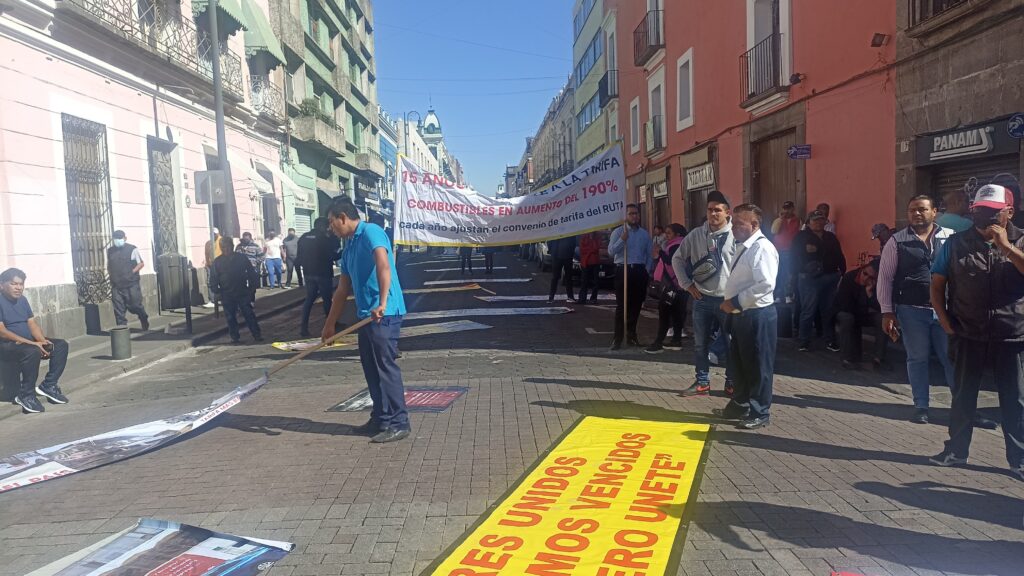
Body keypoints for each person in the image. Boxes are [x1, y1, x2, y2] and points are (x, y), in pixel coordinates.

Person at [929, 184, 1024, 479]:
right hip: (968, 331)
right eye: (980, 212)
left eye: (993, 213)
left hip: (1012, 334)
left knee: (1015, 399)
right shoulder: (956, 243)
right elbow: (936, 285)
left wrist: (1006, 248)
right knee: (963, 395)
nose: (985, 219)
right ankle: (956, 451)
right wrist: (946, 323)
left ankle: (1018, 460)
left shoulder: (1021, 240)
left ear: (1009, 211)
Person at [322, 197, 410, 444]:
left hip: (386, 313)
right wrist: (330, 324)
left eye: (332, 222)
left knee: (386, 367)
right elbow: (342, 290)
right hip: (365, 317)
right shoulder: (348, 247)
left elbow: (384, 266)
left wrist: (382, 302)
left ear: (343, 217)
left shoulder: (372, 232)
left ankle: (399, 422)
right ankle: (380, 418)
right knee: (370, 369)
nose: (331, 228)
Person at [878, 195, 957, 424]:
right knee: (917, 359)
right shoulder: (897, 241)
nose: (916, 214)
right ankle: (921, 406)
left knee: (952, 359)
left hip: (947, 311)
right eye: (912, 210)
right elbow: (885, 279)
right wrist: (887, 312)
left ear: (934, 212)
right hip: (911, 311)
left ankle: (963, 406)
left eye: (922, 209)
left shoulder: (951, 238)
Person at [715, 204, 779, 430]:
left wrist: (735, 301)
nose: (734, 228)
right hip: (740, 314)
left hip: (756, 314)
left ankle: (760, 411)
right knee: (739, 362)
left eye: (740, 224)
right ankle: (741, 402)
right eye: (734, 223)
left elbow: (766, 284)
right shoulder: (744, 246)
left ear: (754, 225)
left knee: (758, 364)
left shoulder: (762, 248)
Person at [672, 191, 737, 396]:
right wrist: (686, 285)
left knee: (731, 343)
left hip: (728, 300)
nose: (713, 214)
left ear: (728, 213)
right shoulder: (696, 235)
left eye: (718, 210)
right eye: (710, 210)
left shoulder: (737, 235)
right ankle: (702, 382)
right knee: (700, 345)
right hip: (702, 299)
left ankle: (732, 382)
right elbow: (677, 259)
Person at [0, 268, 70, 414]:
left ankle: (49, 385)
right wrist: (33, 344)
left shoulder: (23, 300)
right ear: (2, 285)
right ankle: (26, 395)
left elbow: (31, 323)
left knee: (60, 345)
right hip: (6, 346)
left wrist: (42, 341)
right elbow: (2, 331)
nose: (18, 288)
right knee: (32, 351)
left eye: (21, 284)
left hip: (26, 343)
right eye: (14, 284)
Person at [792, 210, 846, 351]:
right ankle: (804, 341)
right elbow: (794, 257)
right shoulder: (801, 237)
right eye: (815, 220)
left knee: (828, 311)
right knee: (808, 310)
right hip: (809, 278)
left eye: (821, 220)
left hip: (831, 276)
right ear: (808, 222)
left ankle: (830, 340)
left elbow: (839, 254)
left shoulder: (830, 237)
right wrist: (800, 271)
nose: (818, 222)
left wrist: (842, 271)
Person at [608, 204, 651, 349]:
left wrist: (647, 269)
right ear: (625, 215)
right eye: (631, 213)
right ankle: (617, 338)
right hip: (623, 269)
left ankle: (632, 335)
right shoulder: (619, 232)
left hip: (638, 271)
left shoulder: (644, 234)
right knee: (622, 306)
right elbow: (611, 251)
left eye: (636, 214)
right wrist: (622, 240)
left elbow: (649, 254)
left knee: (636, 305)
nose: (634, 216)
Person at [832, 261, 887, 371]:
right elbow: (845, 304)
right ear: (862, 269)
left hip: (863, 313)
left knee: (882, 319)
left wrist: (870, 294)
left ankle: (878, 359)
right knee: (847, 319)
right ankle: (846, 358)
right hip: (847, 311)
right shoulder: (849, 278)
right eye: (865, 273)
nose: (865, 278)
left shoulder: (877, 284)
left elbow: (880, 307)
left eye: (870, 277)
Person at [210, 237, 263, 344]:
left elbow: (251, 273)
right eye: (223, 247)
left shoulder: (241, 258)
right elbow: (214, 278)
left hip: (242, 290)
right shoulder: (218, 262)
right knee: (230, 317)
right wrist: (217, 291)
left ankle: (257, 334)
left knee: (248, 314)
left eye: (228, 247)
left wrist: (252, 288)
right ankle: (234, 337)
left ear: (232, 246)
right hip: (226, 293)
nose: (226, 250)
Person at [646, 223, 688, 354]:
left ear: (677, 235)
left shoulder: (677, 245)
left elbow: (670, 261)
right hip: (677, 286)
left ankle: (658, 342)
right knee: (676, 314)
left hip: (673, 286)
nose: (666, 236)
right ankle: (676, 341)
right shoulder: (677, 245)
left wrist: (660, 252)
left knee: (664, 313)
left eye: (669, 233)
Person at [297, 218, 341, 338]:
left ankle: (303, 328)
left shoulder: (303, 238)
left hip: (308, 273)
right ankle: (331, 324)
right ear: (322, 226)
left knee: (309, 299)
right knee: (327, 300)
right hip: (323, 273)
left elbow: (298, 257)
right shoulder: (324, 239)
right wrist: (341, 252)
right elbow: (332, 256)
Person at [107, 230, 150, 331]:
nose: (118, 241)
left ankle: (143, 317)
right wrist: (111, 275)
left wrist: (132, 272)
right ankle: (122, 330)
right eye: (116, 239)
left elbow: (141, 264)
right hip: (116, 284)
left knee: (135, 305)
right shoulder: (110, 251)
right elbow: (109, 265)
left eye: (120, 238)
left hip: (131, 283)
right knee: (118, 308)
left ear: (125, 238)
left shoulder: (132, 249)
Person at [771, 200, 800, 300]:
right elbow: (774, 231)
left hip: (791, 250)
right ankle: (778, 295)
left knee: (789, 273)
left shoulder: (798, 220)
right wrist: (780, 219)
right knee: (778, 273)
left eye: (789, 209)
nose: (787, 211)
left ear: (793, 209)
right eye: (785, 209)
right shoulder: (778, 220)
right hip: (778, 250)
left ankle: (788, 294)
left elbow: (800, 233)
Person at [547, 236, 577, 303]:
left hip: (560, 255)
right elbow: (574, 241)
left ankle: (552, 297)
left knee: (557, 277)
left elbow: (549, 240)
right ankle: (569, 296)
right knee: (562, 277)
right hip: (562, 255)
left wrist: (551, 250)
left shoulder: (556, 228)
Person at [577, 231, 601, 305]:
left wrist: (590, 248)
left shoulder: (597, 236)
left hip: (595, 262)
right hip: (586, 262)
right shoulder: (584, 236)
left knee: (596, 282)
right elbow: (582, 249)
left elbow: (597, 247)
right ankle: (582, 298)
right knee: (584, 281)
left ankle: (593, 298)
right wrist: (591, 250)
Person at [203, 227, 223, 308]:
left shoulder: (222, 241)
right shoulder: (208, 243)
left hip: (221, 264)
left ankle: (223, 298)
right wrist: (207, 263)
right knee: (210, 282)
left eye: (215, 234)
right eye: (212, 234)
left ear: (218, 233)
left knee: (222, 281)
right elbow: (206, 254)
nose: (214, 235)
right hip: (211, 265)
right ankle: (212, 300)